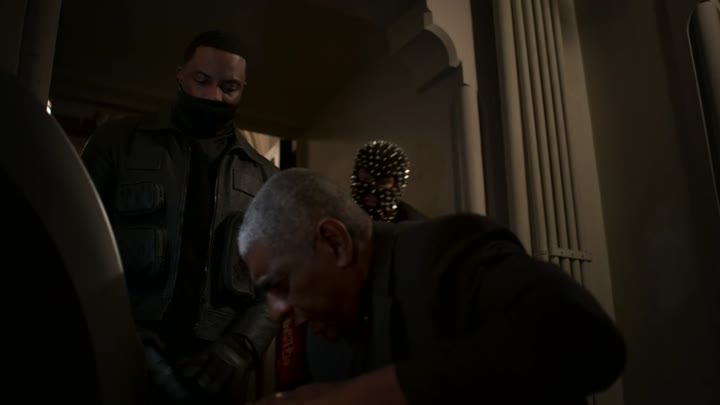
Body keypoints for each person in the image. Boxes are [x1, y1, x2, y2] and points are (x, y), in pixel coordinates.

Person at [237, 168, 626, 404]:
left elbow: (585, 338)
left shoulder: (448, 251)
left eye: (280, 285)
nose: (277, 311)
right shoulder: (318, 337)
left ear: (335, 243)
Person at [81, 31, 278, 404]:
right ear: (180, 74)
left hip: (214, 373)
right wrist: (112, 329)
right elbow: (79, 250)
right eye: (201, 80)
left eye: (229, 88)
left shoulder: (265, 178)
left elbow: (278, 282)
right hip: (121, 355)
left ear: (243, 89)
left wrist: (241, 346)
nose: (213, 96)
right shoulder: (118, 142)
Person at [350, 140, 425, 222]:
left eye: (382, 182)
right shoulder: (340, 215)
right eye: (365, 178)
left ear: (398, 184)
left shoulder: (413, 225)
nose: (372, 189)